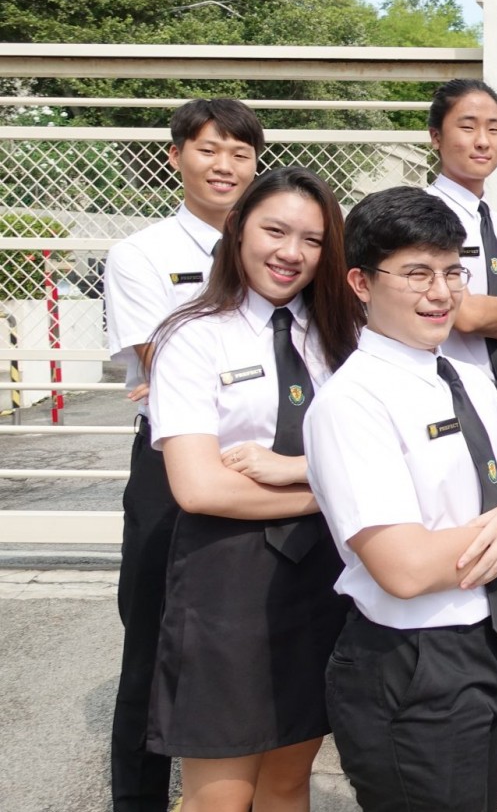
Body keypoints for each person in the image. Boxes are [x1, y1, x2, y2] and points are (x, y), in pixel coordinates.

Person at [304, 187, 497, 812]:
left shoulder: (468, 379)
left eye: (452, 272)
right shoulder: (352, 402)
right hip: (414, 660)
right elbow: (406, 568)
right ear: (361, 283)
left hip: (490, 639)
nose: (441, 292)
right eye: (417, 273)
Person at [144, 166, 362, 811]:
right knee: (220, 795)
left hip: (322, 572)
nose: (291, 252)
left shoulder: (344, 335)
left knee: (288, 780)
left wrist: (300, 474)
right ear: (239, 230)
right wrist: (330, 494)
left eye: (312, 240)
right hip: (228, 577)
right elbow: (199, 488)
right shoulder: (193, 335)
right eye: (275, 231)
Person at [104, 98, 259, 812]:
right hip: (172, 465)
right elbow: (157, 360)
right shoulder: (141, 254)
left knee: (252, 637)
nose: (224, 165)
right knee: (154, 642)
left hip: (261, 464)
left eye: (240, 153)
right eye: (208, 149)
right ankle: (138, 799)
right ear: (176, 156)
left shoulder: (275, 247)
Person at [426, 78, 497, 423]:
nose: (483, 141)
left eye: (494, 129)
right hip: (448, 401)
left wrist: (478, 317)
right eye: (467, 127)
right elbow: (465, 315)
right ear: (436, 137)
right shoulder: (423, 215)